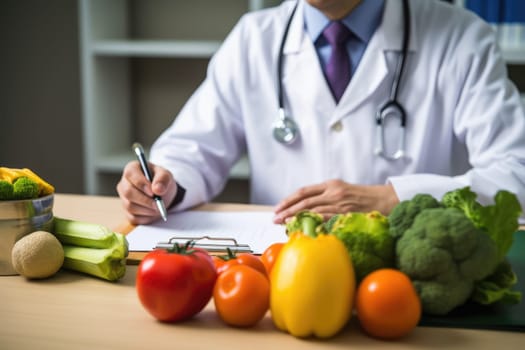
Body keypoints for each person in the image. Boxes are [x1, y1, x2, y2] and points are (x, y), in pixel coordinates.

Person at [117, 0, 525, 225]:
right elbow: (191, 150)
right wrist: (164, 187)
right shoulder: (254, 38)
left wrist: (394, 198)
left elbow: (516, 173)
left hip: (408, 275)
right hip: (283, 273)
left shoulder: (461, 37)